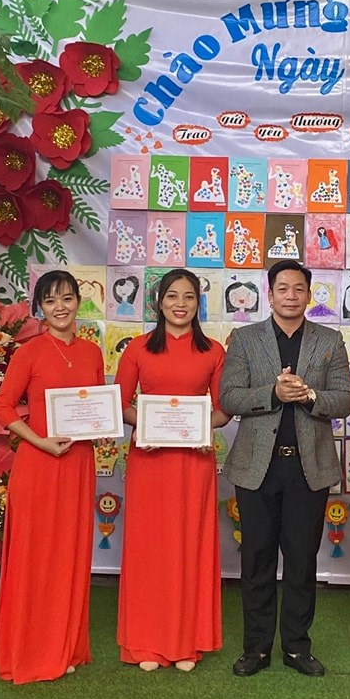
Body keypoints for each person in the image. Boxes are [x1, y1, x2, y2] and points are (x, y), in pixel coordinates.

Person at [220, 259, 350, 677]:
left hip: (308, 468)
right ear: (270, 293)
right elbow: (229, 397)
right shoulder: (245, 339)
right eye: (283, 289)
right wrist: (273, 393)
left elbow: (345, 399)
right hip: (256, 467)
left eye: (299, 289)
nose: (291, 296)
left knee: (301, 559)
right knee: (256, 558)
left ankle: (297, 647)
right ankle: (256, 649)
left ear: (309, 295)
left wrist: (311, 396)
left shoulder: (329, 340)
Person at [115, 269, 230, 671]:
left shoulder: (213, 351)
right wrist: (145, 424)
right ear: (158, 302)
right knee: (149, 547)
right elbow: (120, 402)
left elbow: (223, 409)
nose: (180, 304)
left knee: (189, 545)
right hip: (149, 458)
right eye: (172, 296)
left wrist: (203, 428)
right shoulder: (138, 349)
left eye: (189, 297)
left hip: (194, 461)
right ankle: (146, 643)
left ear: (199, 303)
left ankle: (185, 642)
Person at [0, 270, 105, 684]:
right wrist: (39, 441)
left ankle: (64, 646)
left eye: (67, 298)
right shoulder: (29, 353)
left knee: (70, 556)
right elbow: (3, 408)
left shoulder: (92, 353)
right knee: (35, 558)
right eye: (50, 300)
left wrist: (101, 426)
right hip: (39, 465)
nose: (60, 307)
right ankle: (30, 651)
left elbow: (96, 407)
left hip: (78, 465)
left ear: (79, 301)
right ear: (39, 307)